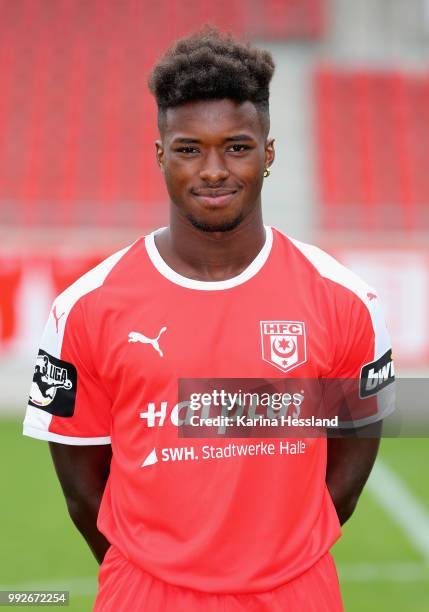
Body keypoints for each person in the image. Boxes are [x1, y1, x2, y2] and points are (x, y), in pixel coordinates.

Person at [23, 27, 395, 611]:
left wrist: (277, 559)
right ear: (160, 154)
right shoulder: (86, 306)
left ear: (268, 153)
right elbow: (80, 489)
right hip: (145, 594)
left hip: (296, 591)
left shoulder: (346, 301)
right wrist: (165, 575)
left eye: (237, 147)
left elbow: (354, 450)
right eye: (190, 148)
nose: (214, 169)